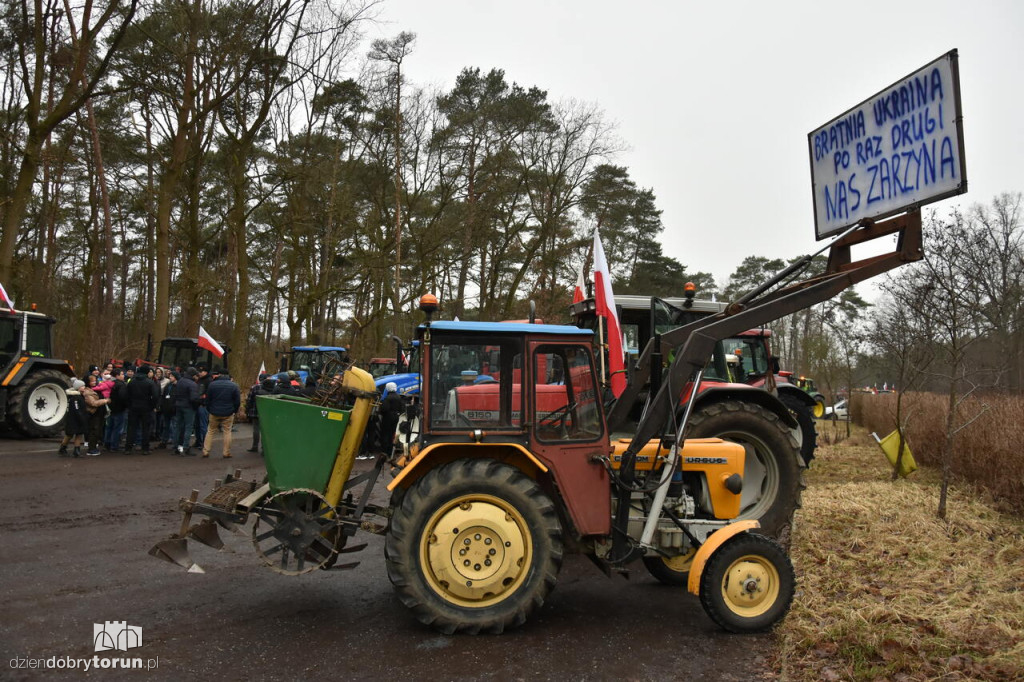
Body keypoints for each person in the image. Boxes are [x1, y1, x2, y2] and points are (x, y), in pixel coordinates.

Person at [203, 368, 240, 459]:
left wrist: (209, 409)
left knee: (210, 431)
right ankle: (226, 452)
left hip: (214, 411)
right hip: (228, 412)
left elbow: (208, 400)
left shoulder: (212, 385)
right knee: (227, 432)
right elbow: (237, 401)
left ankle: (206, 450)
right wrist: (234, 410)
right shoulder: (234, 386)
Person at [125, 365, 159, 454]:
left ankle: (128, 448)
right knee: (146, 428)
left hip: (133, 407)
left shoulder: (131, 382)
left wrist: (129, 405)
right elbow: (155, 396)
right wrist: (152, 406)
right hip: (146, 407)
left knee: (131, 428)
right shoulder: (150, 382)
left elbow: (126, 395)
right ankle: (145, 449)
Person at [172, 368, 201, 456]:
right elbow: (193, 398)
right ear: (193, 375)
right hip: (188, 407)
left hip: (179, 405)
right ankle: (185, 447)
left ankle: (176, 447)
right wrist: (199, 403)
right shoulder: (193, 384)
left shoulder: (180, 381)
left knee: (178, 426)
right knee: (188, 427)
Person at [373, 381, 405, 460]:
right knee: (392, 433)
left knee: (385, 434)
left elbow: (384, 409)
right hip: (396, 417)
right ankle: (391, 450)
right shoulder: (398, 397)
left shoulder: (387, 398)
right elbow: (402, 408)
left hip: (388, 417)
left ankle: (385, 451)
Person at [81, 374, 110, 456]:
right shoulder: (87, 392)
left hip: (100, 413)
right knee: (94, 431)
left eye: (95, 380)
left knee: (98, 431)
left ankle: (93, 447)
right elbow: (93, 403)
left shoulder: (96, 389)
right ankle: (91, 449)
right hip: (94, 414)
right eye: (92, 381)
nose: (94, 382)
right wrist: (105, 401)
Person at [59, 380, 89, 458]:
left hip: (79, 418)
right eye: (82, 386)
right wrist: (82, 418)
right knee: (69, 435)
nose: (84, 387)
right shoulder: (75, 398)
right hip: (73, 419)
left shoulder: (80, 396)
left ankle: (77, 451)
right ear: (78, 388)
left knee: (79, 434)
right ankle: (63, 448)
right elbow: (77, 409)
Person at [246, 376, 273, 453]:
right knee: (265, 430)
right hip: (267, 413)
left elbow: (249, 399)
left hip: (255, 411)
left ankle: (255, 446)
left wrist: (248, 409)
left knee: (256, 429)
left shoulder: (255, 388)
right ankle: (264, 448)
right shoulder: (272, 387)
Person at [103, 368, 128, 451]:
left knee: (109, 427)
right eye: (122, 374)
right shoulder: (121, 385)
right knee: (117, 428)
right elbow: (123, 397)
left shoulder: (109, 383)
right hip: (119, 409)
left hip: (110, 408)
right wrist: (126, 405)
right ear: (117, 375)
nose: (123, 375)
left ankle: (107, 444)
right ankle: (114, 446)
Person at [158, 371, 178, 448]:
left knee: (174, 426)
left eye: (172, 376)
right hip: (166, 410)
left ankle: (175, 443)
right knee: (165, 426)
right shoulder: (168, 385)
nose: (170, 377)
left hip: (174, 410)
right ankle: (164, 441)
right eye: (170, 376)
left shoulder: (178, 386)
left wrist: (174, 407)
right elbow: (163, 397)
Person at [193, 365, 211, 450]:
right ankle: (198, 440)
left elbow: (207, 394)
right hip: (197, 404)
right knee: (197, 425)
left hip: (203, 406)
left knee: (203, 425)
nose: (199, 373)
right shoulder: (199, 380)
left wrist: (202, 400)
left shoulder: (208, 381)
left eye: (201, 371)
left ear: (206, 372)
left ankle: (204, 442)